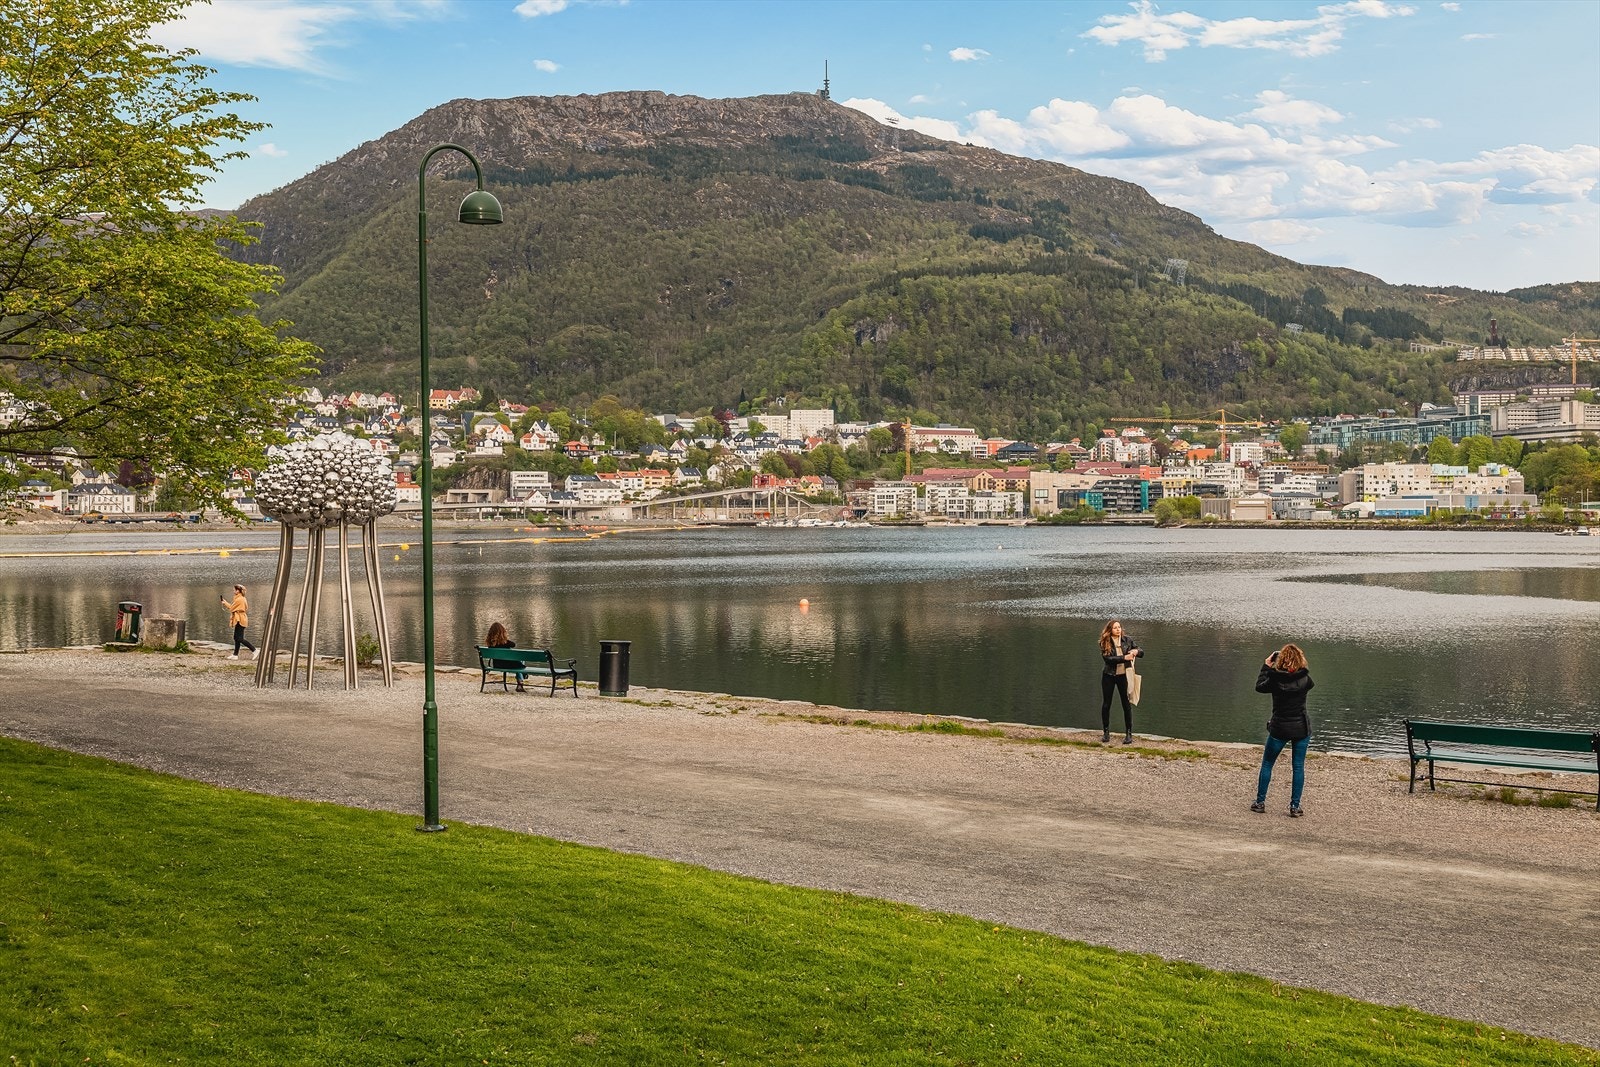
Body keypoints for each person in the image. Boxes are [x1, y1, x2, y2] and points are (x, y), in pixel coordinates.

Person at [1252, 643, 1314, 817]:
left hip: (1279, 727)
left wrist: (1266, 666)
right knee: (1298, 767)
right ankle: (1295, 807)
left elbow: (1259, 686)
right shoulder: (1306, 680)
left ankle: (1260, 803)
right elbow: (1305, 678)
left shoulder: (1274, 680)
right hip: (1301, 728)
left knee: (1267, 764)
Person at [1098, 619, 1143, 744]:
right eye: (1115, 628)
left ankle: (1129, 734)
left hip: (1124, 676)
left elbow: (1141, 652)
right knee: (1106, 704)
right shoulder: (1104, 642)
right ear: (1110, 630)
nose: (1118, 629)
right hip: (1109, 676)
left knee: (1126, 704)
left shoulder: (1127, 640)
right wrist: (1124, 657)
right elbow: (1108, 659)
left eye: (1119, 627)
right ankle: (1106, 733)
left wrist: (1135, 651)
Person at [485, 621, 524, 691]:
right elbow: (513, 644)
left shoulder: (490, 644)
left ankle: (522, 678)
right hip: (508, 665)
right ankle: (520, 683)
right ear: (502, 632)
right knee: (520, 661)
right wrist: (505, 639)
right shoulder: (505, 642)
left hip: (497, 665)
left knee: (518, 662)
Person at [221, 584, 254, 660]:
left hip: (240, 619)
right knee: (236, 638)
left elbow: (232, 608)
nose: (233, 591)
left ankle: (254, 650)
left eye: (234, 590)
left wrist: (225, 603)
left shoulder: (239, 599)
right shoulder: (240, 598)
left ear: (238, 591)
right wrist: (225, 603)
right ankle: (235, 655)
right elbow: (233, 607)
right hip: (240, 619)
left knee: (240, 638)